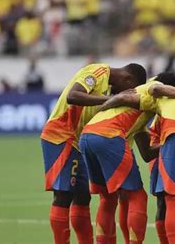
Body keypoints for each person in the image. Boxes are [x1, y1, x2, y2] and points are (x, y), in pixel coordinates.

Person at [79, 72, 175, 244]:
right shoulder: (149, 88)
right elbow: (156, 88)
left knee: (107, 198)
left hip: (88, 136)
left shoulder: (139, 114)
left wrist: (172, 143)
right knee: (137, 197)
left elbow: (146, 154)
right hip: (109, 135)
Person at [40, 62, 146, 244]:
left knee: (83, 196)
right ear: (127, 78)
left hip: (79, 140)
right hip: (61, 134)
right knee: (63, 194)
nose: (125, 95)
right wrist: (113, 99)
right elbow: (72, 96)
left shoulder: (109, 88)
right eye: (129, 90)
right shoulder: (97, 72)